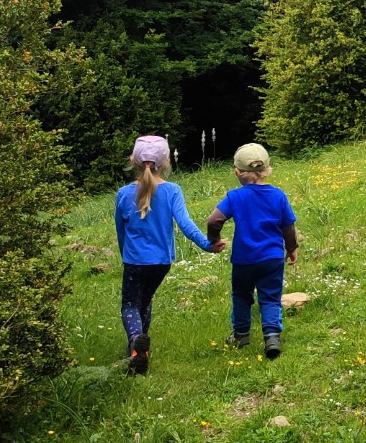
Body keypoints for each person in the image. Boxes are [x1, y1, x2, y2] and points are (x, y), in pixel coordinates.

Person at [115, 135, 224, 375]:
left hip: (134, 260)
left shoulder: (123, 194)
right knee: (145, 300)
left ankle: (136, 342)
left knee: (130, 304)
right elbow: (186, 224)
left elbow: (120, 231)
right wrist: (208, 245)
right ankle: (138, 351)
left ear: (133, 160)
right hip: (161, 262)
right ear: (165, 162)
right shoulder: (173, 190)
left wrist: (126, 255)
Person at [206, 143, 298, 359]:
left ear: (238, 172)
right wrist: (291, 248)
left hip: (244, 259)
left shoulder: (235, 197)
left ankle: (241, 335)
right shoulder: (278, 195)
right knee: (270, 298)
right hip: (272, 258)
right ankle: (272, 337)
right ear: (267, 170)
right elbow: (289, 227)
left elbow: (214, 220)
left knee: (241, 296)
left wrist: (215, 239)